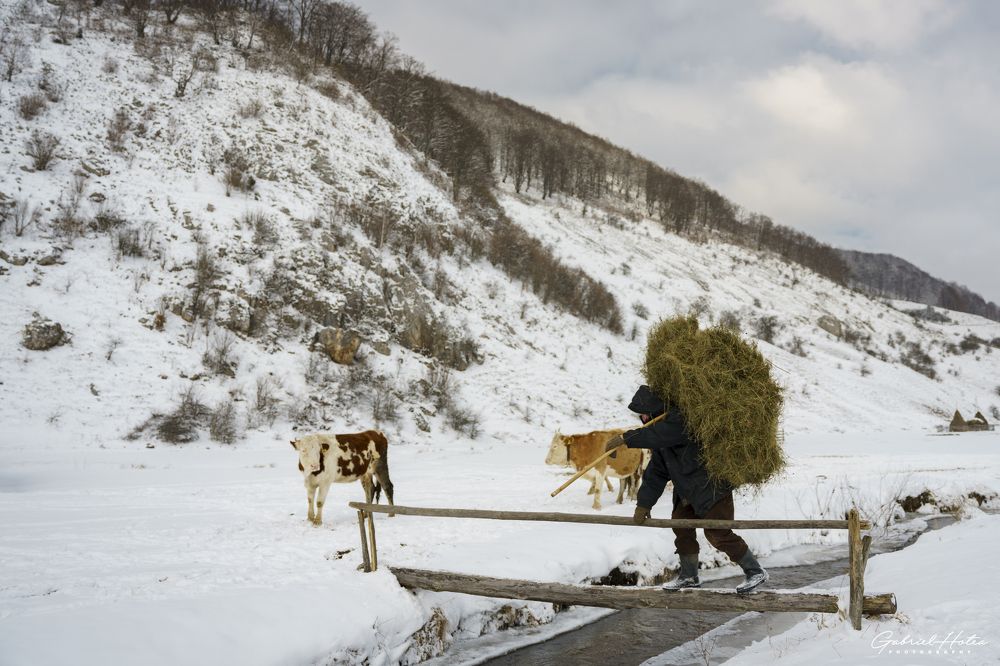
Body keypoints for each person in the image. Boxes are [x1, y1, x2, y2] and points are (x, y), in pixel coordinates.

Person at [604, 385, 769, 594]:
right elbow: (656, 473)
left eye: (646, 415)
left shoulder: (683, 421)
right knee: (681, 528)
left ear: (656, 411)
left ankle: (755, 571)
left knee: (717, 533)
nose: (643, 419)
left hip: (712, 487)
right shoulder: (660, 439)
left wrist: (627, 439)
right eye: (641, 416)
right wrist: (643, 504)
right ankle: (689, 576)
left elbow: (663, 434)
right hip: (686, 493)